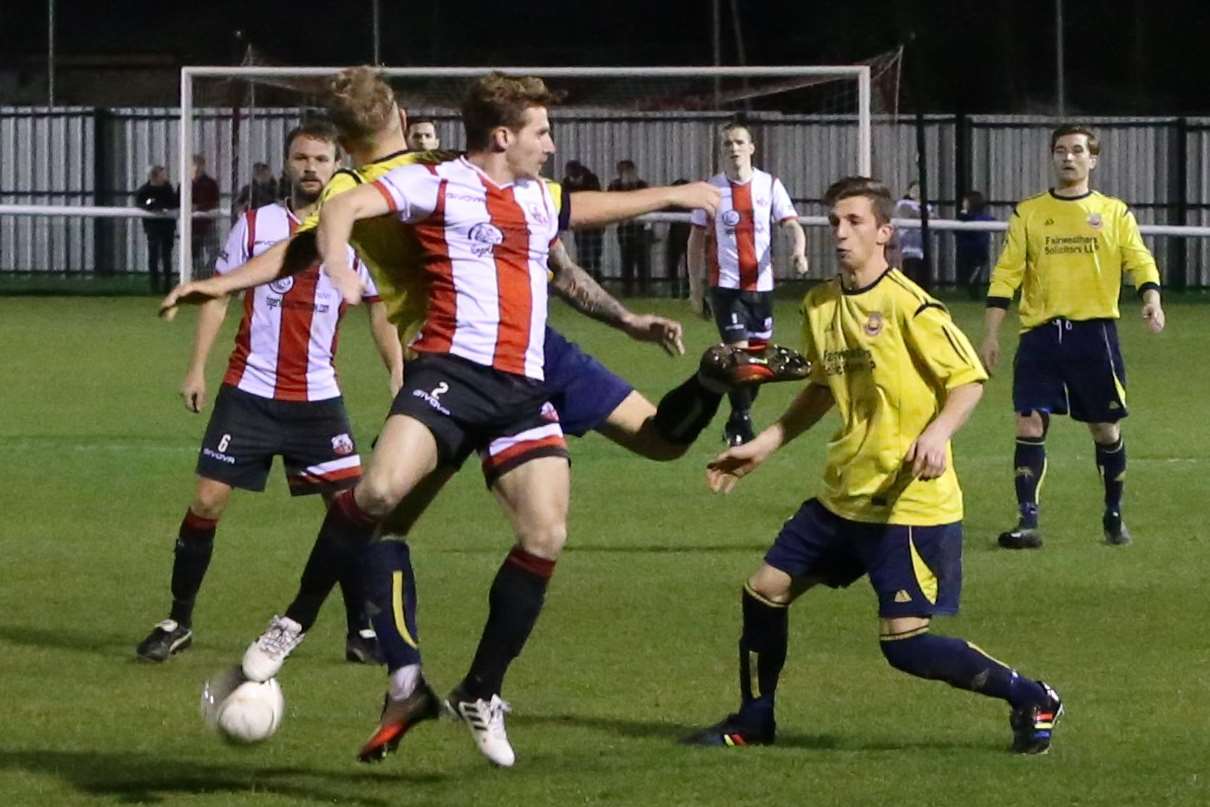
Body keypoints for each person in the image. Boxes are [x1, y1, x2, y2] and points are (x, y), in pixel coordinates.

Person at [209, 69, 724, 770]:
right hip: (448, 374)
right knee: (378, 495)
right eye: (542, 132)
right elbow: (338, 212)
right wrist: (336, 265)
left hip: (521, 384)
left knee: (546, 531)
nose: (551, 145)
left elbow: (594, 208)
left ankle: (481, 689)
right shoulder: (439, 181)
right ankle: (294, 623)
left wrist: (671, 196)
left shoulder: (539, 198)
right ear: (506, 136)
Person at [684, 176, 1063, 756]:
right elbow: (821, 388)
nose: (840, 232)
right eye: (834, 221)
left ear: (885, 233)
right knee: (764, 591)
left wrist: (937, 433)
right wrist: (764, 443)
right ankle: (754, 720)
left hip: (909, 503)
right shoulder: (819, 305)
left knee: (904, 646)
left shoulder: (910, 306)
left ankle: (1031, 696)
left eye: (855, 222)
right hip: (844, 497)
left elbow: (968, 381)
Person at [135, 120, 404, 665]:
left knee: (350, 511)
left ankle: (362, 632)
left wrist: (397, 373)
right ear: (288, 164)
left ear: (337, 166)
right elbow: (219, 297)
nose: (311, 168)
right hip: (249, 391)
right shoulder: (255, 226)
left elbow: (380, 313)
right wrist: (196, 369)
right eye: (302, 158)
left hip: (318, 399)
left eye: (321, 159)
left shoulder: (358, 233)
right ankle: (178, 618)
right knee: (208, 499)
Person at [979, 124, 1165, 550]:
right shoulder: (1029, 212)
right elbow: (1006, 274)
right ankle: (1027, 522)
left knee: (1104, 429)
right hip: (1041, 335)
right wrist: (991, 334)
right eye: (1061, 150)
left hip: (1093, 334)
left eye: (1078, 151)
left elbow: (1139, 260)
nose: (1068, 157)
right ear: (1053, 156)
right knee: (1028, 421)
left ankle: (1113, 514)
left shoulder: (1114, 212)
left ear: (1092, 159)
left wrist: (1151, 299)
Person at [686, 122, 808, 446]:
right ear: (722, 150)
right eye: (728, 143)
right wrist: (695, 288)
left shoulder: (769, 186)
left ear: (752, 148)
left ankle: (738, 416)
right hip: (726, 287)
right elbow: (696, 240)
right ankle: (742, 423)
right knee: (741, 357)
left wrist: (799, 250)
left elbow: (792, 225)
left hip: (762, 288)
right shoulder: (710, 191)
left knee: (757, 362)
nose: (734, 148)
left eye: (740, 142)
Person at [608, 160, 652, 294]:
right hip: (624, 229)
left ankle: (645, 290)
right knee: (626, 259)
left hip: (640, 229)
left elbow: (648, 203)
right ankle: (627, 290)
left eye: (628, 170)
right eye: (622, 171)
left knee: (643, 260)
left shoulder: (642, 185)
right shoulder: (615, 186)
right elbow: (609, 203)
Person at [134, 165, 178, 293]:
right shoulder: (145, 190)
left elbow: (173, 202)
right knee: (154, 255)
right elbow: (142, 203)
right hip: (153, 227)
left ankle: (167, 285)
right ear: (155, 176)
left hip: (167, 226)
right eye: (162, 175)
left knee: (167, 256)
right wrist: (151, 204)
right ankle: (154, 285)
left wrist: (164, 207)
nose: (165, 177)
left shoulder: (167, 188)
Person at [562, 160, 604, 276]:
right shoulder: (567, 182)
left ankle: (597, 277)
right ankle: (585, 277)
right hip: (580, 223)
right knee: (582, 253)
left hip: (594, 221)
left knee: (595, 253)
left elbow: (596, 197)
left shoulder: (591, 180)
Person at [955, 190, 994, 300]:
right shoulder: (963, 216)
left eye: (965, 201)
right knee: (968, 276)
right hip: (966, 251)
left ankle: (975, 296)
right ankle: (972, 295)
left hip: (977, 251)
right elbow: (957, 231)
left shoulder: (980, 217)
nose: (963, 203)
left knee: (973, 277)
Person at [893, 180, 932, 288]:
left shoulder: (926, 206)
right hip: (907, 244)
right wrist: (924, 214)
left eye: (919, 190)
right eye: (914, 189)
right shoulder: (903, 203)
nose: (917, 192)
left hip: (922, 245)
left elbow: (934, 218)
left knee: (921, 271)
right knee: (909, 269)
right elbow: (907, 213)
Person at [191, 155, 221, 277]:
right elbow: (177, 201)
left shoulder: (210, 183)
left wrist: (198, 207)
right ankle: (198, 275)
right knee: (195, 254)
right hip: (192, 225)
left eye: (199, 164)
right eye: (194, 164)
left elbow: (215, 202)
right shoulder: (185, 183)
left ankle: (206, 274)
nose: (196, 168)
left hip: (208, 223)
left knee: (214, 253)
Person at [664, 179, 693, 297]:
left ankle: (686, 292)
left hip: (687, 235)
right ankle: (675, 292)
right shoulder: (674, 204)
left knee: (688, 266)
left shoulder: (691, 203)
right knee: (673, 265)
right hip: (676, 235)